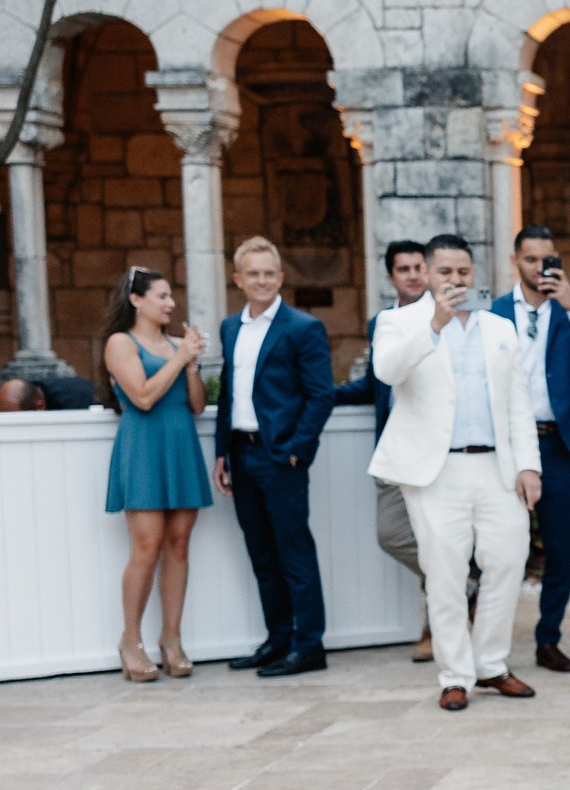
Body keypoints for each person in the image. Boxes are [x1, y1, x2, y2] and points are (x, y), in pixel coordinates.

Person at [370, 234, 543, 712]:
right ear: (427, 274)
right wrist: (434, 325)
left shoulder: (499, 328)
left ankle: (491, 664)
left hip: (496, 465)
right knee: (444, 572)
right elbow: (386, 372)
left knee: (508, 558)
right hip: (435, 469)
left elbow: (518, 401)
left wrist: (528, 464)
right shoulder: (398, 322)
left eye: (463, 271)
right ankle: (454, 675)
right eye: (444, 271)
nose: (455, 280)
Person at [493, 226, 570, 673]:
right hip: (507, 446)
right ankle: (488, 641)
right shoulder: (493, 312)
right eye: (530, 259)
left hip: (559, 443)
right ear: (515, 261)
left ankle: (548, 639)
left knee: (561, 549)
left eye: (547, 260)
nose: (539, 268)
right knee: (500, 546)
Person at [214, 236, 335, 678]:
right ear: (238, 279)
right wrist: (221, 453)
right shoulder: (230, 328)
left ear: (281, 278)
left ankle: (309, 646)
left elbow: (320, 396)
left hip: (280, 457)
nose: (262, 281)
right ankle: (278, 640)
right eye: (253, 274)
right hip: (241, 454)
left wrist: (296, 451)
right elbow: (228, 394)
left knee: (293, 552)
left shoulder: (302, 327)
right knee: (262, 555)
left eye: (269, 273)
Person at [100, 267, 211, 681]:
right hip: (144, 448)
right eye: (161, 296)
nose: (170, 303)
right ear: (136, 299)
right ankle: (130, 640)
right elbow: (143, 397)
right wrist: (179, 358)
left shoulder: (179, 346)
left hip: (181, 445)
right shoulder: (120, 343)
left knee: (179, 544)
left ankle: (171, 639)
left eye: (171, 296)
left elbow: (197, 405)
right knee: (146, 547)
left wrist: (191, 364)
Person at [334, 240, 433, 660]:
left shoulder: (446, 316)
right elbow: (376, 384)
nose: (413, 275)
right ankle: (465, 587)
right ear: (391, 276)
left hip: (435, 449)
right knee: (391, 534)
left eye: (418, 267)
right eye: (403, 269)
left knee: (435, 534)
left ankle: (435, 629)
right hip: (393, 448)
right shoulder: (382, 322)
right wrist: (320, 395)